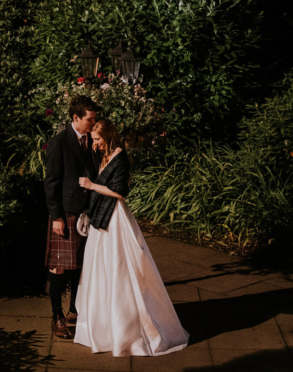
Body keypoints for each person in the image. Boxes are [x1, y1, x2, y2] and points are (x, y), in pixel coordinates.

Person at [74, 119, 189, 356]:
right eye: (94, 140)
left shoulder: (120, 157)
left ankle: (127, 329)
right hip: (100, 217)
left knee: (119, 267)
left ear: (108, 136)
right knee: (99, 269)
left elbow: (119, 192)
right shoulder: (103, 154)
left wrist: (92, 185)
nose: (95, 144)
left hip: (114, 218)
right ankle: (102, 325)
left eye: (98, 139)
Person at [43, 94, 100, 339]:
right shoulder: (59, 142)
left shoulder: (92, 141)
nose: (93, 123)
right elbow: (51, 183)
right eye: (90, 119)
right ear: (75, 118)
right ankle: (57, 318)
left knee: (80, 266)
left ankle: (75, 310)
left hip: (88, 213)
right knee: (58, 268)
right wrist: (56, 216)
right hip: (65, 214)